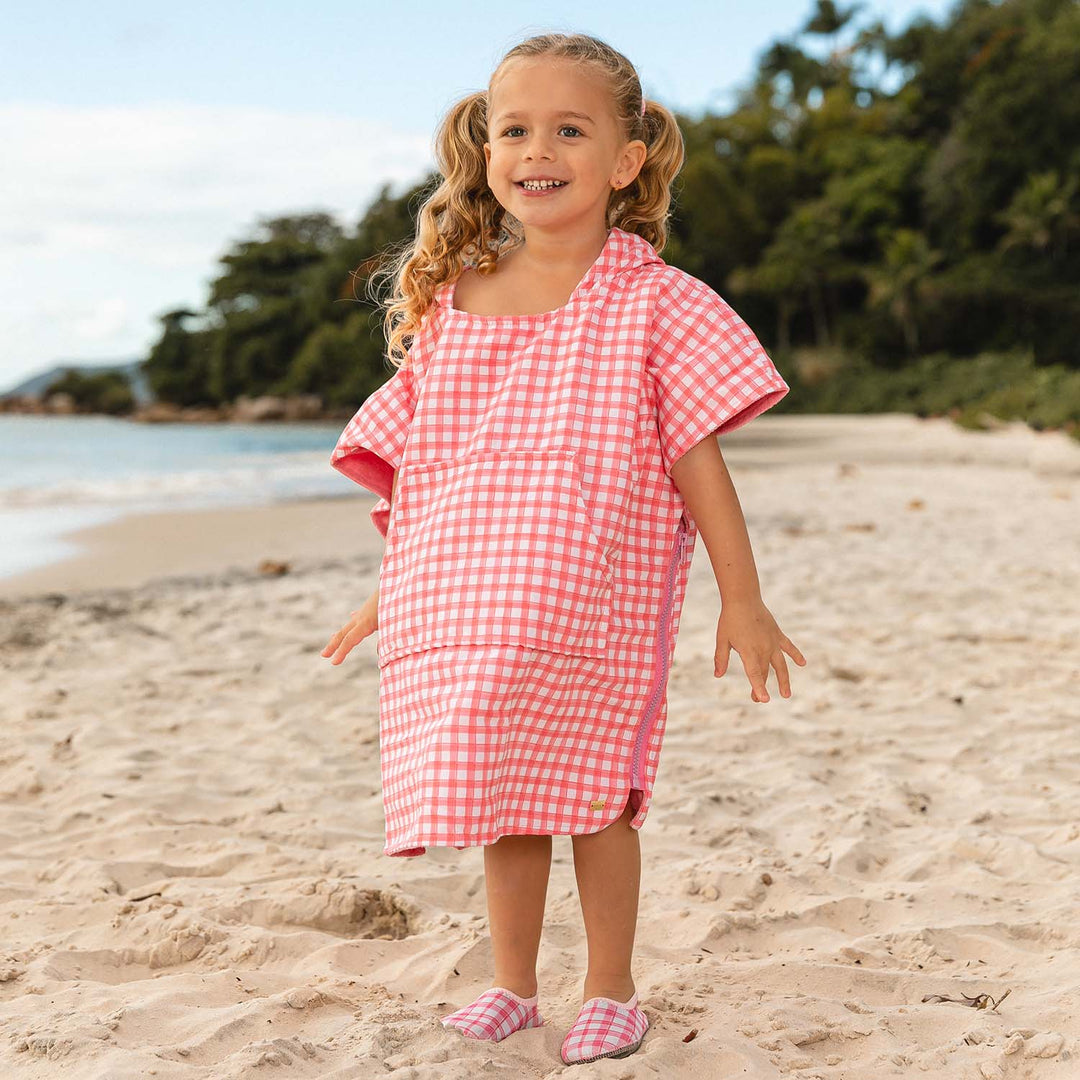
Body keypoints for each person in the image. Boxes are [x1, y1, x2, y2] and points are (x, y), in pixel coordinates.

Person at [321, 31, 807, 1068]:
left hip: (594, 600)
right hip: (469, 600)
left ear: (626, 160)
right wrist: (386, 597)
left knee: (592, 796)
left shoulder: (652, 300)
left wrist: (743, 596)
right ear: (486, 149)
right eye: (516, 128)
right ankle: (511, 983)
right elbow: (427, 469)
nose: (539, 148)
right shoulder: (455, 302)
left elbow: (697, 461)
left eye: (570, 129)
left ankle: (612, 989)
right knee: (505, 796)